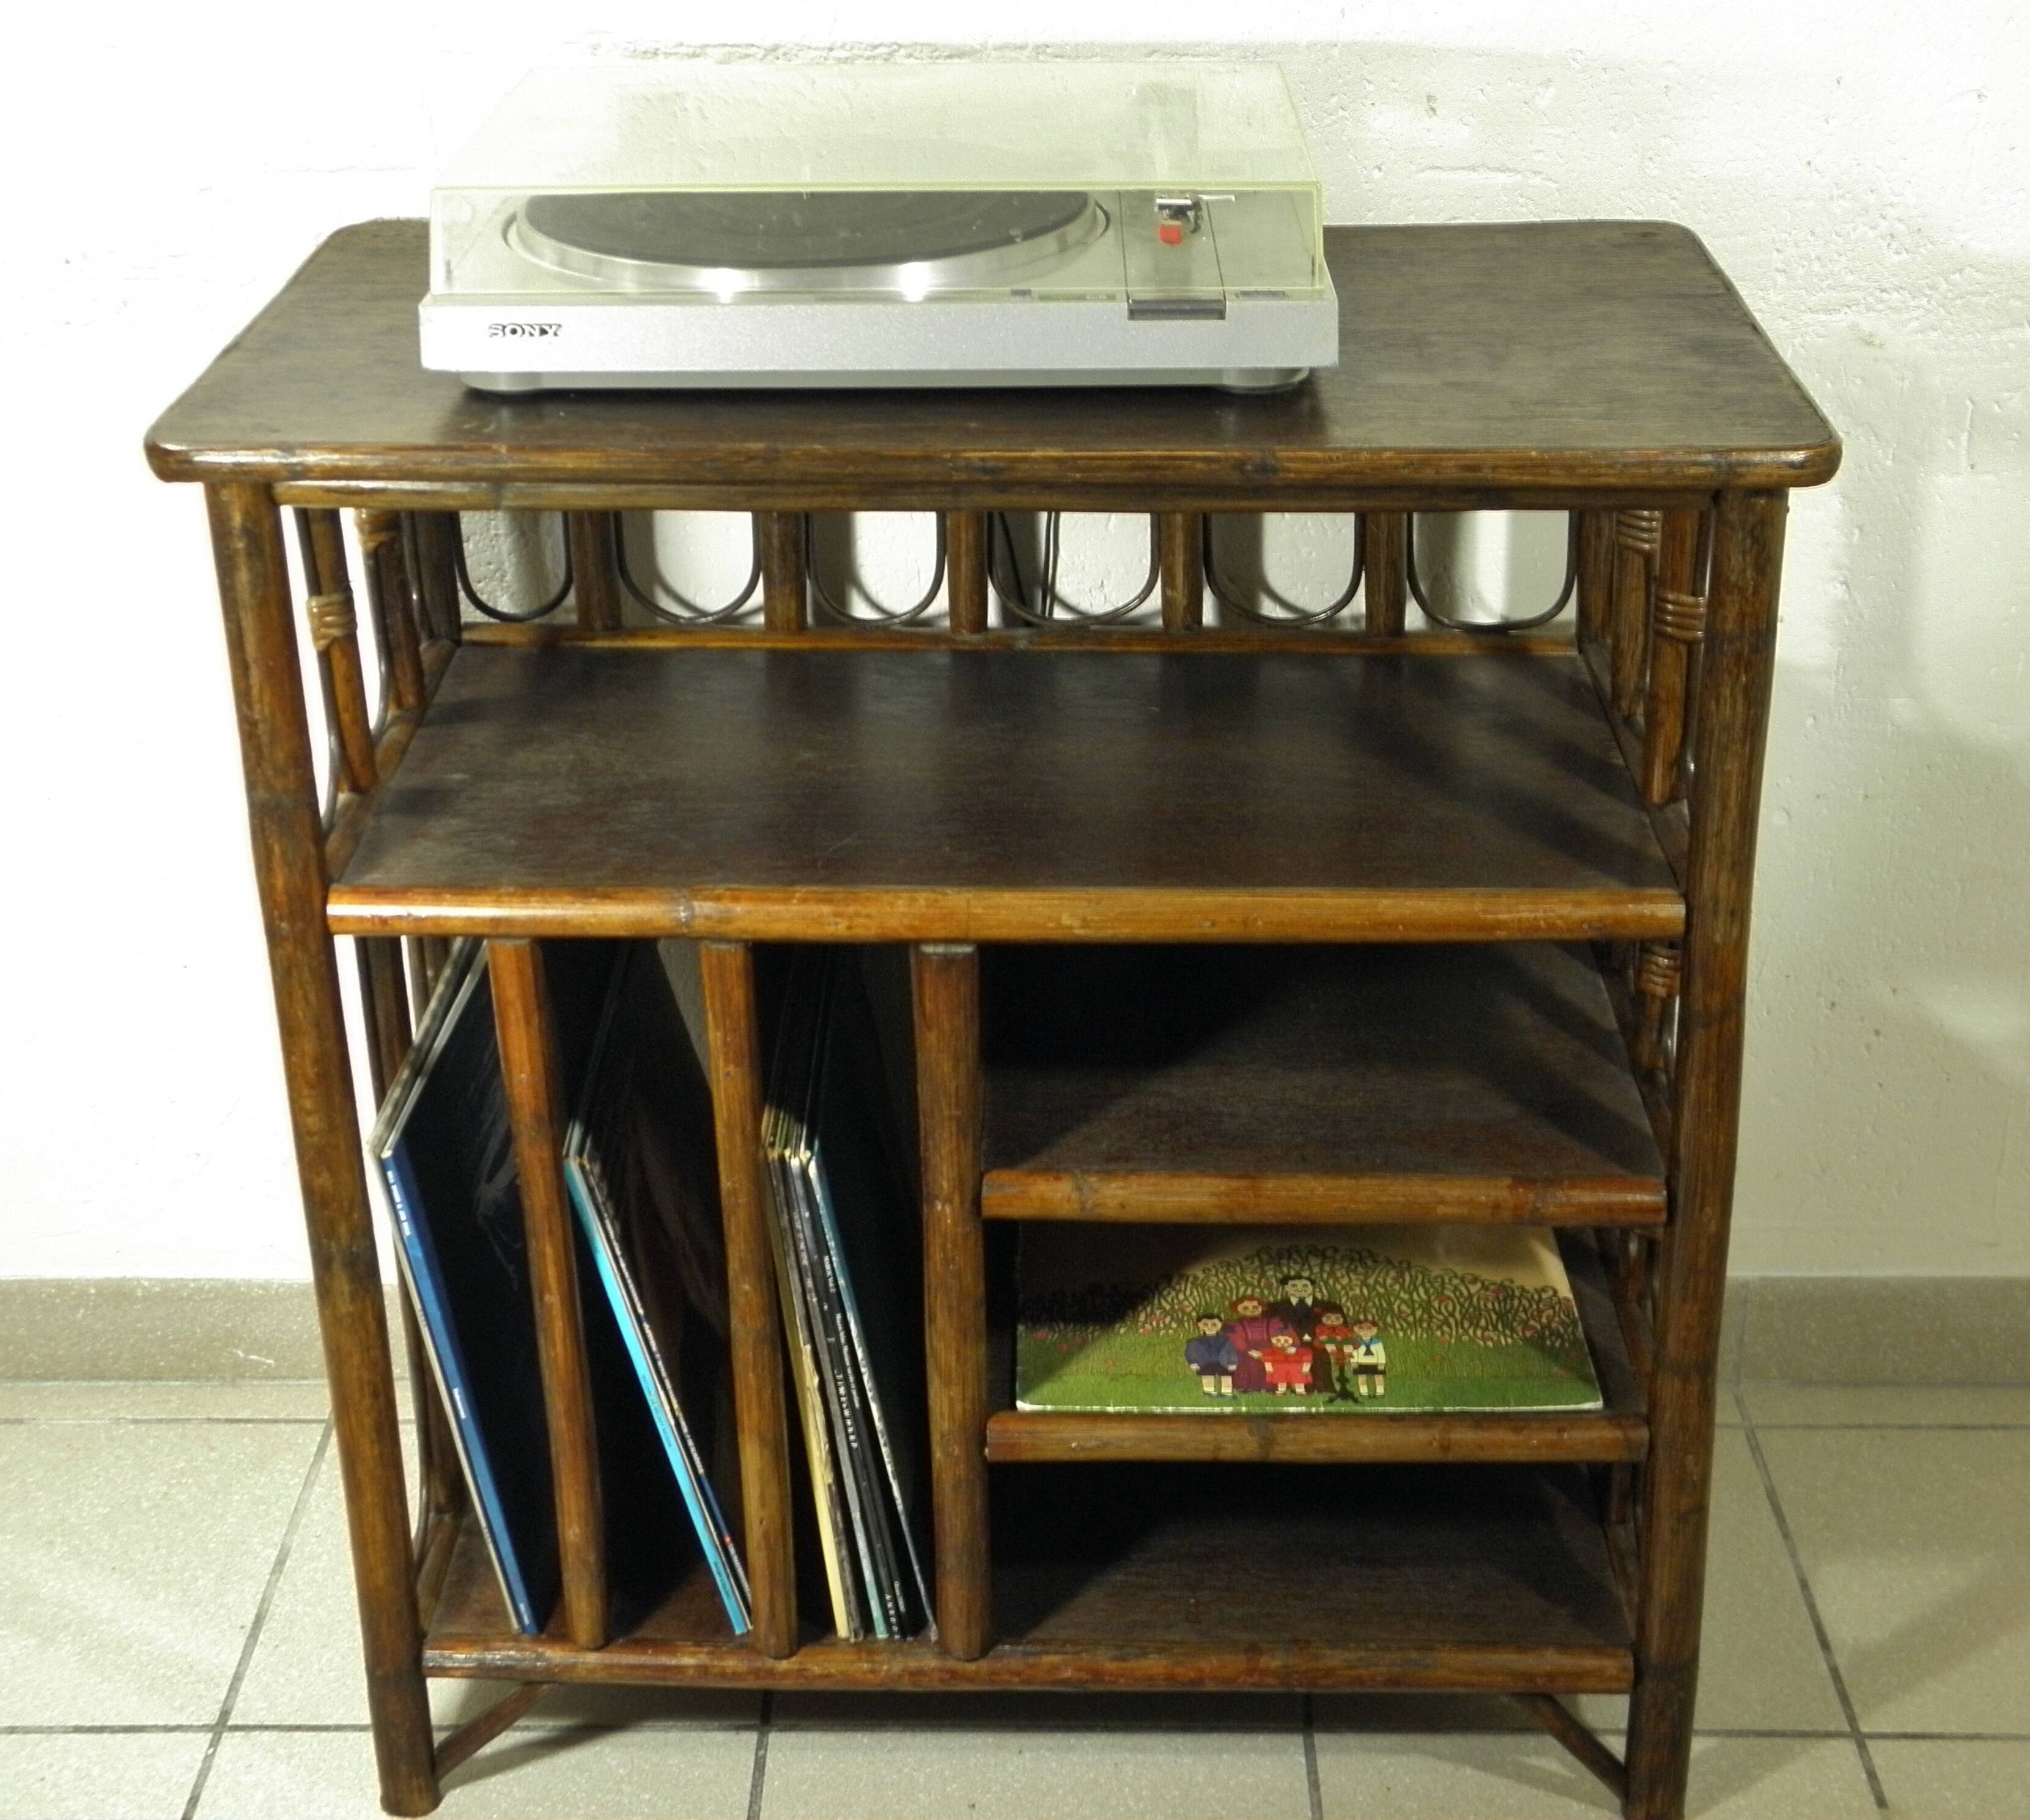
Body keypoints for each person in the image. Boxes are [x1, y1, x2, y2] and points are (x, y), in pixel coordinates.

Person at [1268, 1273, 1334, 1396]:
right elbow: (1271, 1329)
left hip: (1319, 1346)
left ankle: (1323, 1388)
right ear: (1287, 1288)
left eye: (1304, 1285)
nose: (1299, 1289)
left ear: (1312, 1287)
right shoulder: (1275, 1308)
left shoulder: (1328, 1307)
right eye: (1294, 1286)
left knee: (1320, 1366)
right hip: (1287, 1349)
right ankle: (1288, 1389)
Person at [1222, 1295, 1288, 1395]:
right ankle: (1247, 1388)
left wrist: (1272, 1350)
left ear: (1262, 1308)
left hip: (1270, 1350)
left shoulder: (1273, 1322)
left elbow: (1282, 1335)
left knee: (1273, 1363)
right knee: (1247, 1364)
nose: (1251, 1310)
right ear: (1238, 1310)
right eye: (1246, 1308)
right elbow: (1234, 1339)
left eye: (1255, 1308)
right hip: (1246, 1351)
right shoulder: (1234, 1325)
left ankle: (1272, 1387)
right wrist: (1248, 1350)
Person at [1183, 1313, 1238, 1397]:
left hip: (1223, 1362)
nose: (1210, 1327)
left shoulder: (1226, 1340)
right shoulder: (1195, 1342)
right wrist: (1193, 1362)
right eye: (1205, 1324)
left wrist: (1233, 1363)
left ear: (1220, 1325)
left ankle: (1227, 1392)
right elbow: (1191, 1353)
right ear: (1199, 1325)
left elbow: (1231, 1352)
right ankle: (1209, 1392)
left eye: (1214, 1324)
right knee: (1207, 1376)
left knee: (1226, 1376)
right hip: (1205, 1362)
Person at [1311, 1301, 1357, 1399]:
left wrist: (1345, 1344)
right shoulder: (1321, 1329)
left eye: (1337, 1319)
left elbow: (1350, 1338)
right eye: (1328, 1318)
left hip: (1344, 1354)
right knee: (1334, 1370)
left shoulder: (1344, 1329)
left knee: (1348, 1370)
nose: (1332, 1321)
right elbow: (1320, 1339)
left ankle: (1350, 1389)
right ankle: (1336, 1388)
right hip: (1330, 1354)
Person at [1261, 1330, 1315, 1395]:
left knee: (1299, 1380)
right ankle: (1281, 1391)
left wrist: (1306, 1365)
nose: (1282, 1343)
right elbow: (1267, 1356)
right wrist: (1268, 1365)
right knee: (1280, 1380)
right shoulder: (1272, 1351)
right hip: (1279, 1368)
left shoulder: (1299, 1350)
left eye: (1286, 1340)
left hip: (1296, 1368)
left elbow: (1307, 1355)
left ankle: (1300, 1391)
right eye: (1278, 1341)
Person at [1347, 1317, 1388, 1400]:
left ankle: (1380, 1392)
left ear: (1375, 1329)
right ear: (1356, 1329)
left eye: (1369, 1329)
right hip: (1362, 1363)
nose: (1365, 1332)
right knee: (1362, 1377)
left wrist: (1381, 1364)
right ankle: (1364, 1393)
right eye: (1361, 1329)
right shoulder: (1356, 1343)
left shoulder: (1378, 1344)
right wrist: (1354, 1362)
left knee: (1378, 1377)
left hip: (1375, 1364)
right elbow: (1354, 1353)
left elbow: (1381, 1354)